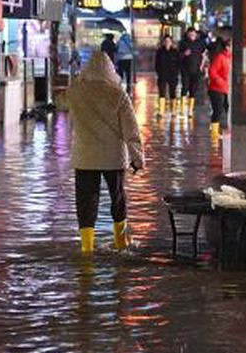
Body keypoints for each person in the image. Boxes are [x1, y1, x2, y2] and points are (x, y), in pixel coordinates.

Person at [62, 53, 144, 254]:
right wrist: (137, 158)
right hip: (113, 157)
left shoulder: (74, 92)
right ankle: (121, 243)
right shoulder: (118, 94)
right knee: (117, 198)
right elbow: (131, 130)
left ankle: (87, 248)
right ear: (111, 70)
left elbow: (61, 104)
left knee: (86, 201)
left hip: (85, 158)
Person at [179, 28, 207, 117]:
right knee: (185, 88)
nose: (192, 36)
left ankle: (190, 110)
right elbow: (178, 56)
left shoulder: (200, 43)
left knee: (193, 90)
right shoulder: (183, 43)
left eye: (193, 34)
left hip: (196, 70)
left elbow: (204, 54)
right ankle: (182, 109)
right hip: (185, 70)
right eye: (190, 34)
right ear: (187, 34)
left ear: (196, 35)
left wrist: (202, 66)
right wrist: (184, 54)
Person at [208, 39, 232, 136]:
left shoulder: (231, 58)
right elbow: (212, 72)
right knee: (218, 110)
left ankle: (228, 129)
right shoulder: (220, 57)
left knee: (228, 109)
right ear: (227, 47)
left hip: (227, 89)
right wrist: (221, 82)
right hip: (217, 89)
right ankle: (214, 133)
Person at [154, 34, 180, 114]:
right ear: (163, 42)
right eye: (166, 41)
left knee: (173, 92)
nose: (167, 43)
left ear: (171, 42)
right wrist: (158, 72)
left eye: (169, 41)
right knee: (162, 92)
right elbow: (156, 63)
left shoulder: (175, 52)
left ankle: (173, 111)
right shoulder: (160, 51)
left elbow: (178, 64)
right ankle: (161, 111)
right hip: (162, 75)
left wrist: (176, 73)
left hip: (173, 75)